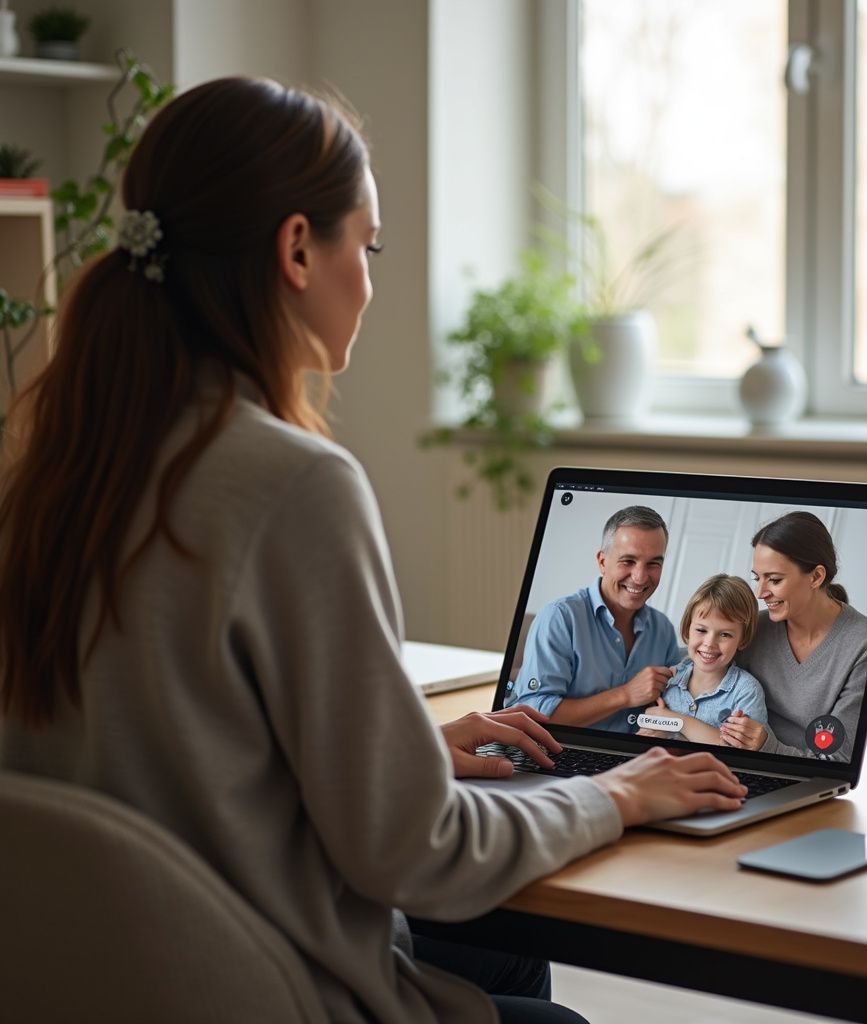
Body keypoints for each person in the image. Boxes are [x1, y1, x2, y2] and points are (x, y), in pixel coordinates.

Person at [0, 77, 747, 1024]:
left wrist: (406, 755)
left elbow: (155, 755)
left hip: (103, 981)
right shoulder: (294, 483)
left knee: (502, 957)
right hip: (269, 986)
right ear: (299, 249)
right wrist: (618, 796)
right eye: (370, 244)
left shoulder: (56, 470)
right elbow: (417, 853)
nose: (371, 275)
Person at [504, 506, 681, 732]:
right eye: (628, 561)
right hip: (559, 752)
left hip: (638, 758)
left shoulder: (663, 629)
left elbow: (676, 702)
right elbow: (535, 714)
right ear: (602, 561)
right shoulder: (559, 617)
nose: (640, 577)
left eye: (653, 564)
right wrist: (625, 694)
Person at [720, 511, 867, 759]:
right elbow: (699, 664)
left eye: (774, 580)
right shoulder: (754, 628)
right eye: (757, 578)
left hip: (804, 776)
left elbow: (838, 758)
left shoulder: (862, 642)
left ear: (816, 577)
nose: (760, 593)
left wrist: (768, 747)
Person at [638, 574, 766, 743]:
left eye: (725, 634)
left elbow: (738, 749)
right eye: (701, 630)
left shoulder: (746, 691)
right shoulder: (668, 678)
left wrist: (675, 721)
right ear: (687, 629)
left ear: (741, 640)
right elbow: (648, 722)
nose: (709, 643)